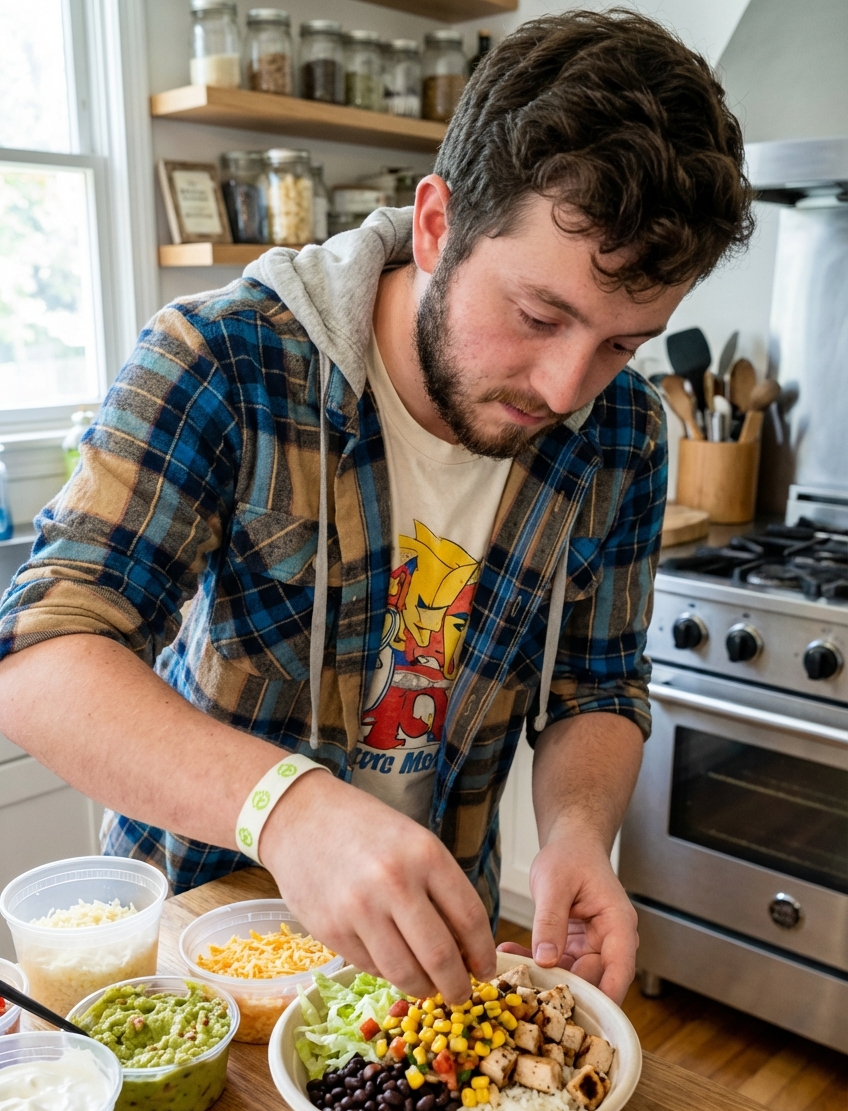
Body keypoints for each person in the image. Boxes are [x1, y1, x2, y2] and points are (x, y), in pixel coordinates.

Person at [0, 10, 752, 1007]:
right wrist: (290, 809)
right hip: (208, 939)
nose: (568, 387)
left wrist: (576, 836)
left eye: (622, 342)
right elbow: (42, 659)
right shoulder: (223, 360)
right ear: (436, 225)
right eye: (538, 315)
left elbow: (595, 685)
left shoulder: (626, 433)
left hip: (435, 941)